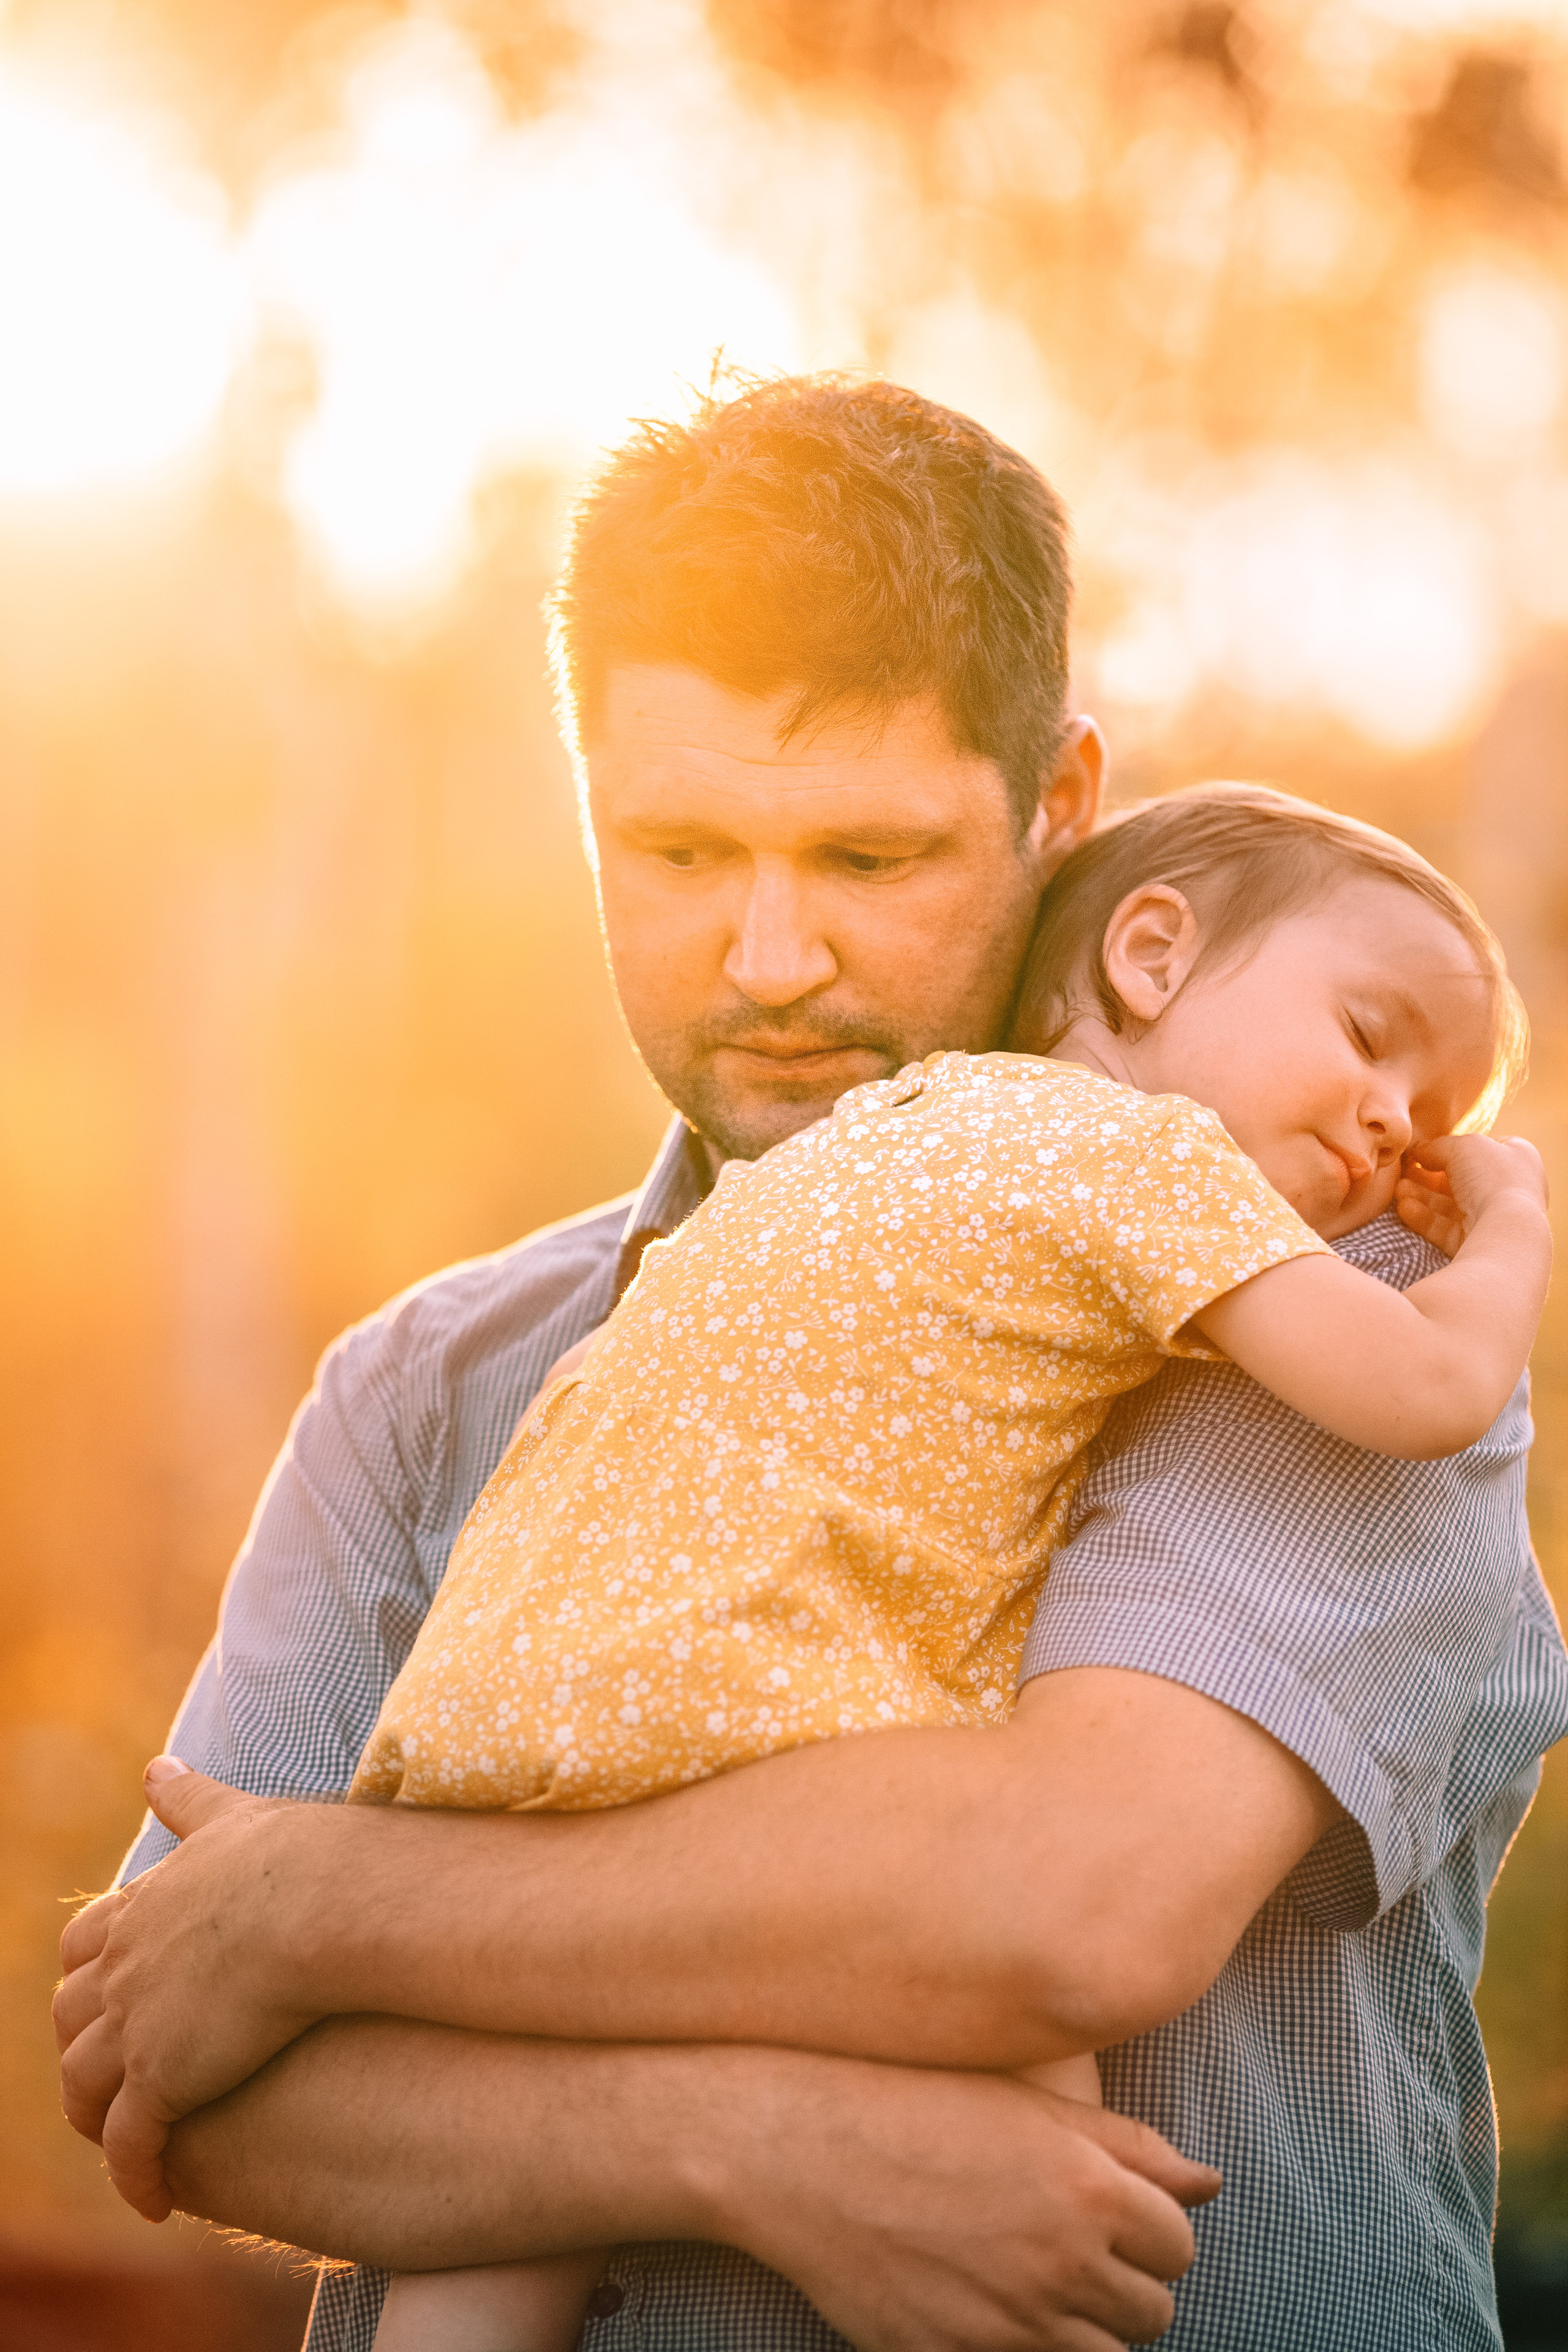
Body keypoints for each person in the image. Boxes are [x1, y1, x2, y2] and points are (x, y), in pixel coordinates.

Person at [55, 376, 1568, 2352]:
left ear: (1062, 809)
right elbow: (186, 2083)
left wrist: (319, 1906)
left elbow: (1068, 1901)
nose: (771, 958)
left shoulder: (1304, 1315)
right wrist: (745, 2139)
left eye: (871, 860)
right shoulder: (435, 1382)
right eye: (681, 852)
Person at [350, 781, 1545, 2352]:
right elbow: (1420, 1391)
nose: (1402, 1124)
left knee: (484, 2254)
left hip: (517, 1667)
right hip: (767, 1686)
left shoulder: (878, 1135)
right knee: (1038, 2155)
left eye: (1441, 1116)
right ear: (1149, 952)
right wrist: (1514, 1222)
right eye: (1372, 1033)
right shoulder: (1147, 1163)